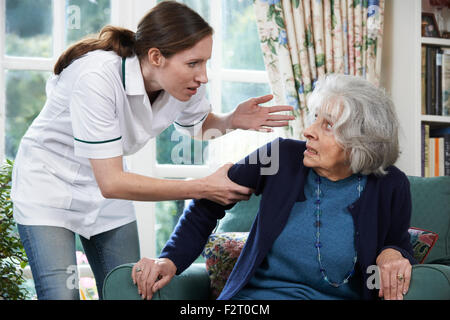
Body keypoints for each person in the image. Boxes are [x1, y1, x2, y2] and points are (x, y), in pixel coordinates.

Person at [10, 1, 294, 300]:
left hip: (106, 189)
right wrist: (203, 188)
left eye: (206, 63)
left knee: (130, 292)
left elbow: (198, 126)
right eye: (194, 63)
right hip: (49, 188)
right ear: (156, 57)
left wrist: (232, 120)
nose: (204, 75)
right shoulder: (96, 77)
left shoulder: (182, 84)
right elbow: (113, 182)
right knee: (61, 295)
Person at [132, 74, 418, 301]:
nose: (309, 130)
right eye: (315, 117)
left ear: (362, 140)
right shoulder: (279, 157)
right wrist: (169, 259)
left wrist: (392, 252)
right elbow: (208, 202)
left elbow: (397, 245)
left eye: (328, 125)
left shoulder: (390, 185)